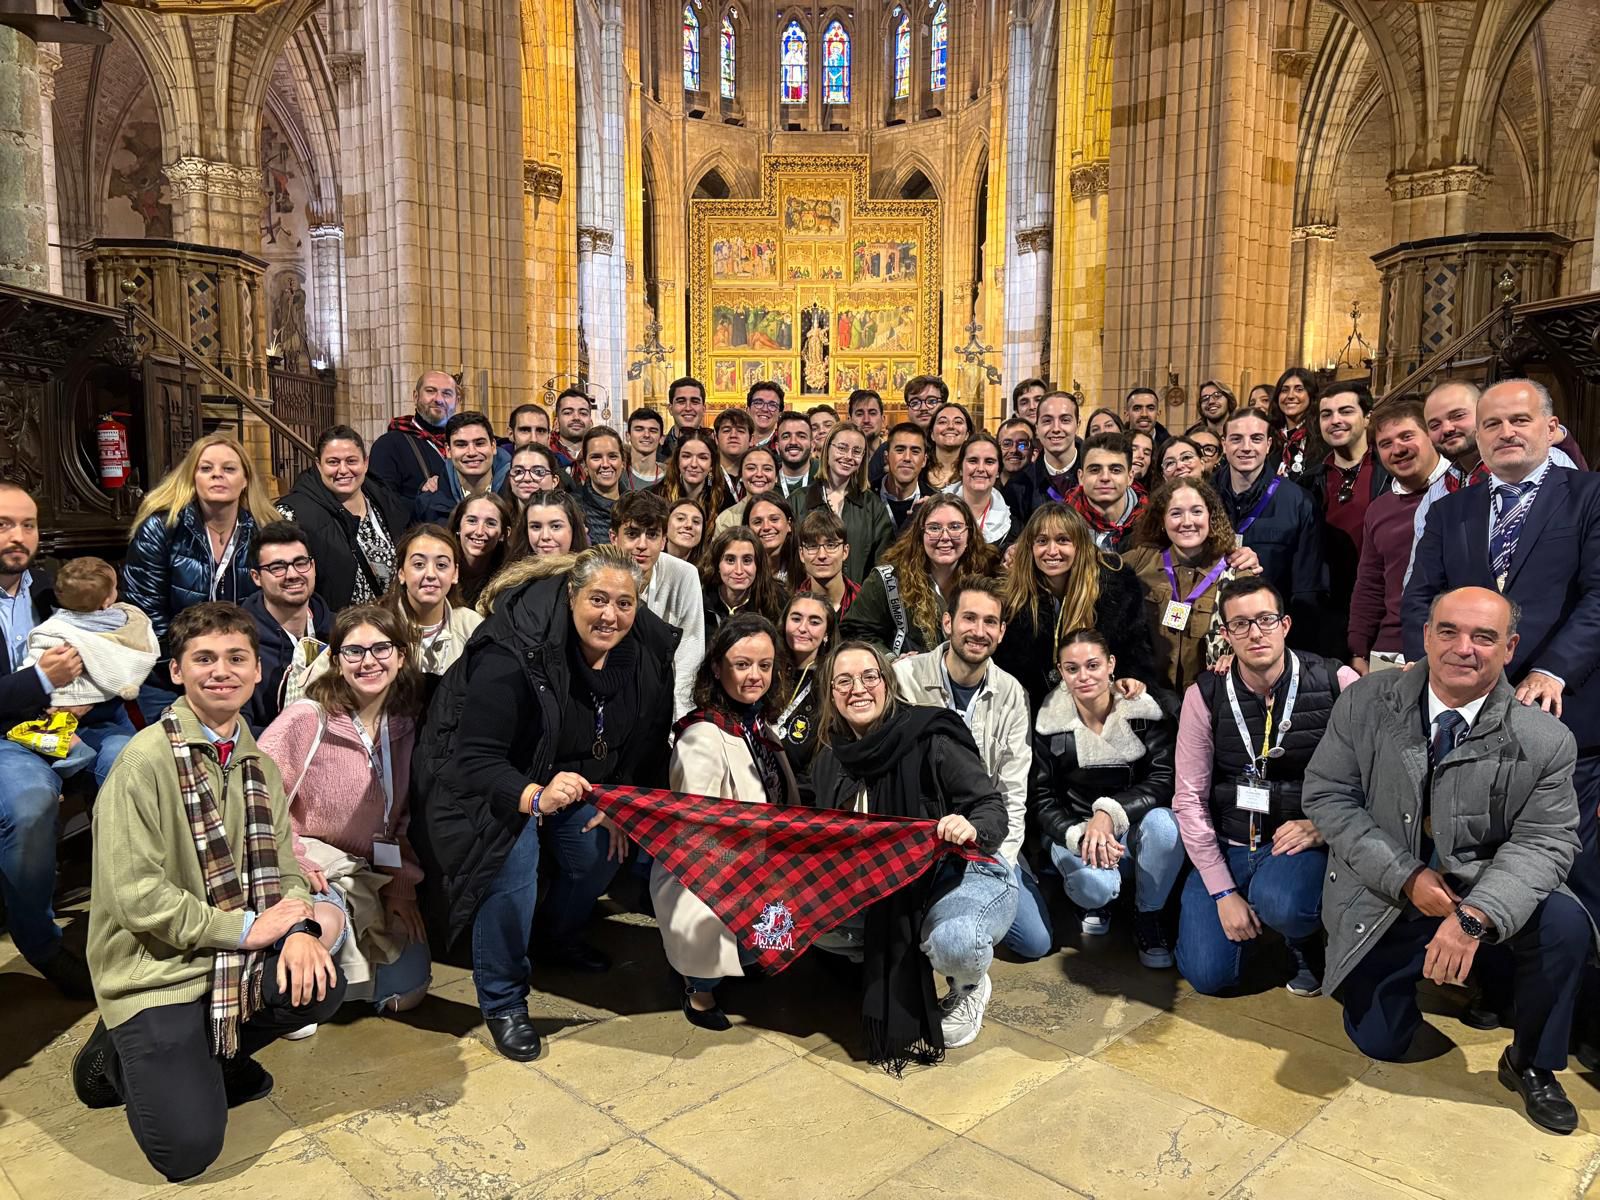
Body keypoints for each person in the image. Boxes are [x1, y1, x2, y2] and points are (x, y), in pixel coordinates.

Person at [72, 602, 344, 1183]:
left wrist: (297, 930)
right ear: (176, 671)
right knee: (186, 1152)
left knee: (319, 982)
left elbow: (285, 862)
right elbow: (134, 896)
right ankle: (114, 1050)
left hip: (226, 961)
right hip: (155, 968)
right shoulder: (141, 763)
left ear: (256, 672)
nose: (221, 670)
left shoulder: (256, 763)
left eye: (236, 658)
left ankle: (218, 1053)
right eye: (204, 658)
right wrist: (246, 930)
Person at [1304, 587, 1592, 1135]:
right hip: (1386, 890)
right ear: (1426, 636)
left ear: (1510, 649)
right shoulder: (1365, 700)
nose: (1465, 648)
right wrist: (1405, 875)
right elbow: (1328, 797)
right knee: (1381, 1041)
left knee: (1565, 922)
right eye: (1449, 632)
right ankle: (1442, 978)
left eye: (1484, 637)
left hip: (1482, 891)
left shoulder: (1548, 740)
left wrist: (1474, 916)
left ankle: (1531, 1061)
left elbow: (1547, 842)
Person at [411, 547, 677, 1061]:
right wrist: (532, 797)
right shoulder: (513, 649)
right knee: (514, 862)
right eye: (598, 599)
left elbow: (642, 737)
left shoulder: (643, 649)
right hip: (485, 781)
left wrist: (620, 801)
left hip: (573, 776)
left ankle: (555, 936)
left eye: (625, 603)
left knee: (598, 847)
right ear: (571, 594)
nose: (611, 615)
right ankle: (505, 998)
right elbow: (474, 758)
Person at [1402, 378, 1600, 959]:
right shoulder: (1451, 508)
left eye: (1519, 420)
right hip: (1471, 714)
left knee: (1567, 864)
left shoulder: (1589, 495)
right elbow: (1422, 598)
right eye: (1492, 424)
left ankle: (1572, 1001)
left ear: (1551, 428)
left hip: (1563, 710)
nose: (1506, 432)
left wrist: (1554, 671)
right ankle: (1490, 977)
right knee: (1481, 852)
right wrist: (1442, 669)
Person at [810, 641, 1011, 1059]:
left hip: (960, 873)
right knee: (805, 917)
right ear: (830, 694)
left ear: (887, 682)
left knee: (956, 942)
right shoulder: (830, 759)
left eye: (869, 676)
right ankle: (886, 951)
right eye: (842, 681)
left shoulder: (930, 736)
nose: (857, 689)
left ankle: (969, 985)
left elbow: (991, 806)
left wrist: (970, 825)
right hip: (885, 887)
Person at [1171, 577, 1359, 997]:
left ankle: (1301, 939)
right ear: (1226, 634)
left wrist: (1322, 826)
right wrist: (1222, 893)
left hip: (1298, 844)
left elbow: (1375, 776)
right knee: (1209, 978)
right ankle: (1236, 915)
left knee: (1287, 904)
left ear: (1286, 624)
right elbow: (1188, 798)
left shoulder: (1337, 681)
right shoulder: (1205, 695)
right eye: (1240, 624)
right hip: (1230, 842)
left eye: (1265, 620)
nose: (1255, 633)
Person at [258, 605, 432, 1021]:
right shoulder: (308, 718)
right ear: (336, 661)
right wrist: (293, 857)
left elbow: (402, 818)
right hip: (312, 864)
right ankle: (278, 998)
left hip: (367, 870)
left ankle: (320, 986)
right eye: (353, 651)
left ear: (402, 655)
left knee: (407, 991)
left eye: (381, 648)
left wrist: (402, 885)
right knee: (322, 926)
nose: (368, 661)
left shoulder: (407, 725)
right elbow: (258, 795)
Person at [894, 577, 1050, 962]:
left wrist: (1001, 861)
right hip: (921, 837)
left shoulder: (1013, 693)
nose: (978, 632)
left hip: (986, 835)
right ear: (947, 623)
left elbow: (1013, 791)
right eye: (969, 619)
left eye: (990, 622)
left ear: (1001, 631)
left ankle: (960, 914)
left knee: (1035, 942)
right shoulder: (904, 680)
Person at [657, 613, 798, 1029]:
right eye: (742, 665)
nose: (755, 676)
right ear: (717, 669)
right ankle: (696, 987)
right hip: (712, 874)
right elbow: (696, 836)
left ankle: (742, 951)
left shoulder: (756, 723)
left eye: (765, 665)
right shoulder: (702, 736)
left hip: (760, 862)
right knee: (712, 958)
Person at [1030, 629, 1181, 965]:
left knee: (1168, 825)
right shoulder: (1048, 720)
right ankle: (1098, 901)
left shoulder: (1141, 709)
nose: (1083, 676)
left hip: (1132, 827)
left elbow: (1163, 779)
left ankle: (1149, 914)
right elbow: (1041, 798)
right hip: (1076, 829)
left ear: (1111, 664)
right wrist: (1080, 834)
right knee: (1094, 887)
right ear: (1061, 671)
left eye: (1093, 665)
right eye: (1072, 669)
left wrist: (1110, 813)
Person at [0, 486, 96, 998]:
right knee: (32, 804)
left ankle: (132, 915)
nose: (18, 537)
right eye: (3, 525)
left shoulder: (48, 584)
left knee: (141, 763)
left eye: (29, 524)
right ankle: (40, 942)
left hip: (67, 724)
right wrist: (41, 681)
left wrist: (85, 697)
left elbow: (96, 642)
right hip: (6, 738)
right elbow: (42, 675)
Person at [123, 432, 278, 722]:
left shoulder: (264, 531)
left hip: (240, 671)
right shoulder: (162, 528)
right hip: (170, 673)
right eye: (206, 469)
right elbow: (144, 612)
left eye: (229, 469)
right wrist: (193, 664)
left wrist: (238, 664)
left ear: (245, 480)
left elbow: (273, 608)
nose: (217, 475)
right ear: (192, 477)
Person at [1408, 378, 1582, 575]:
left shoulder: (1546, 462)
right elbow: (1420, 575)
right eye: (1434, 424)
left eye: (1458, 415)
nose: (1447, 429)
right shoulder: (1436, 495)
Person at [994, 501, 1156, 711]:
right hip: (1034, 711)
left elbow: (1134, 650)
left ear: (1079, 545)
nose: (1052, 551)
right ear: (1030, 547)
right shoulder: (1013, 598)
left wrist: (1132, 678)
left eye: (1062, 540)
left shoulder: (1115, 586)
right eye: (1042, 541)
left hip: (1101, 705)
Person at [1124, 479, 1260, 694]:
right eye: (1176, 513)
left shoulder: (1236, 571)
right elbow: (1088, 570)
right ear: (1162, 520)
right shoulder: (1140, 562)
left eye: (1196, 512)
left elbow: (1257, 635)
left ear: (1210, 516)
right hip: (1150, 701)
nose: (1187, 522)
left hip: (1210, 701)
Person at [21, 556, 150, 781]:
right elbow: (139, 648)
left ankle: (74, 747)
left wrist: (26, 675)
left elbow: (35, 663)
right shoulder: (123, 620)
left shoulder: (55, 629)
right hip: (107, 688)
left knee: (51, 717)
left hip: (71, 695)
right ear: (107, 600)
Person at [1347, 399, 1447, 673]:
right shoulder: (1379, 509)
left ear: (1430, 436)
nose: (1398, 449)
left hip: (1452, 646)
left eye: (1406, 436)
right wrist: (1359, 649)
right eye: (1386, 444)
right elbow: (1370, 583)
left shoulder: (1464, 490)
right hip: (1391, 647)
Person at [1212, 408, 1323, 644]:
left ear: (1269, 444)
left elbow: (1306, 588)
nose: (1246, 447)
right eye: (1236, 439)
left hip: (1269, 635)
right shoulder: (1203, 497)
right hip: (1211, 631)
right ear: (1224, 444)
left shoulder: (1298, 501)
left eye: (1256, 438)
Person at [1298, 381, 1390, 657]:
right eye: (1327, 414)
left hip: (1380, 605)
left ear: (1367, 417)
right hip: (1327, 610)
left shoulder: (1391, 473)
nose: (1335, 420)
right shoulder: (1308, 481)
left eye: (1346, 411)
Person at [842, 495, 994, 658]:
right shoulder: (888, 580)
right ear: (920, 534)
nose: (945, 537)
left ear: (969, 534)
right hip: (907, 680)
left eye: (955, 527)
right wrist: (889, 660)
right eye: (934, 528)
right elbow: (854, 633)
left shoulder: (987, 577)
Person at [276, 426, 410, 610]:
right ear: (318, 464)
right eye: (333, 462)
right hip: (337, 629)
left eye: (351, 461)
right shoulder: (293, 514)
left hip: (391, 624)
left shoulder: (385, 501)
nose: (343, 470)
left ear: (366, 462)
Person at [612, 491, 703, 719]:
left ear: (664, 541)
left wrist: (678, 721)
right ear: (614, 538)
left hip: (662, 695)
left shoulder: (684, 574)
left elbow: (690, 651)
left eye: (652, 535)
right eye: (632, 534)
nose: (642, 545)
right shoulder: (596, 574)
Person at [241, 522, 333, 733]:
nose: (292, 574)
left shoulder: (341, 632)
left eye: (301, 563)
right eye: (277, 567)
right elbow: (237, 728)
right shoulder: (239, 641)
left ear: (314, 568)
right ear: (256, 577)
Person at [792, 421, 894, 581]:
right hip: (807, 600)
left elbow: (883, 564)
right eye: (842, 448)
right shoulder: (798, 500)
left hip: (858, 601)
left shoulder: (872, 505)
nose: (848, 456)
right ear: (827, 449)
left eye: (857, 451)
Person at [382, 525, 483, 678]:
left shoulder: (471, 625)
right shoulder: (376, 624)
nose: (430, 574)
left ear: (455, 574)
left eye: (441, 565)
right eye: (419, 564)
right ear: (401, 573)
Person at [773, 593, 835, 804]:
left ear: (827, 633)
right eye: (796, 618)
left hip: (803, 798)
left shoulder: (831, 681)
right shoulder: (766, 670)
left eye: (815, 622)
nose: (803, 628)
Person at [367, 370, 458, 502]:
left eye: (447, 393)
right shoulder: (389, 445)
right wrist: (423, 495)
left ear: (457, 401)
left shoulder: (466, 443)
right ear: (416, 397)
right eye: (430, 391)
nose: (438, 399)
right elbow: (383, 504)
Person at [411, 410, 510, 527]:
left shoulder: (517, 496)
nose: (472, 452)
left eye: (479, 443)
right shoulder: (427, 505)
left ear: (493, 446)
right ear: (448, 451)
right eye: (461, 445)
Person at [1004, 391, 1082, 519]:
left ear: (1077, 425)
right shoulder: (1018, 486)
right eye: (1047, 421)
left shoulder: (1097, 476)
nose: (1056, 428)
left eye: (1065, 420)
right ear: (1037, 428)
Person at [1063, 432, 1146, 551]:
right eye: (1095, 470)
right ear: (1081, 477)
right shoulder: (1060, 523)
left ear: (1130, 477)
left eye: (1115, 470)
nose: (1105, 477)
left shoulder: (1150, 526)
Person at [701, 526, 787, 634]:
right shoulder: (701, 599)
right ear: (717, 564)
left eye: (747, 560)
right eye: (730, 560)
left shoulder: (777, 601)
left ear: (757, 565)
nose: (739, 570)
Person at [943, 432, 1013, 547]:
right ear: (960, 468)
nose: (980, 468)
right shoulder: (931, 508)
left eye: (989, 462)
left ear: (998, 471)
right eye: (973, 461)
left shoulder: (1010, 523)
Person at [449, 492, 512, 607]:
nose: (479, 531)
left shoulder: (510, 578)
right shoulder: (440, 567)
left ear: (504, 534)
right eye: (472, 521)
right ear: (458, 525)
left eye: (491, 523)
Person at [794, 507, 860, 613]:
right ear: (801, 554)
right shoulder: (790, 606)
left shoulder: (864, 603)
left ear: (845, 551)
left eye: (831, 545)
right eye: (812, 546)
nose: (822, 555)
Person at [575, 425, 630, 545]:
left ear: (623, 462)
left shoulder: (638, 504)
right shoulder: (573, 509)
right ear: (584, 465)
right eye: (596, 457)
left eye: (612, 456)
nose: (605, 464)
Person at [655, 427, 723, 520]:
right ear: (677, 461)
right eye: (686, 456)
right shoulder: (656, 496)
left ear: (712, 464)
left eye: (702, 458)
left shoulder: (723, 499)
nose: (694, 464)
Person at [878, 421, 929, 534]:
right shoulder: (866, 498)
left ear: (924, 460)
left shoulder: (934, 502)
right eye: (900, 450)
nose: (907, 458)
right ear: (886, 457)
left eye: (915, 451)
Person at [745, 492, 802, 583]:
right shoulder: (741, 572)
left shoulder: (804, 568)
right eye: (757, 522)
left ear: (789, 524)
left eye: (774, 519)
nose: (766, 527)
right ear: (747, 528)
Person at [513, 491, 589, 559]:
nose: (545, 536)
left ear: (574, 528)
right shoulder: (511, 573)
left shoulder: (594, 573)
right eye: (536, 527)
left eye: (556, 526)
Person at [1271, 368, 1317, 478]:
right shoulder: (1271, 435)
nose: (1290, 396)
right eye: (1284, 390)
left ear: (1311, 395)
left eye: (1299, 389)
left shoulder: (1320, 437)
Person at [924, 401, 974, 491]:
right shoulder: (919, 469)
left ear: (967, 434)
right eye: (942, 422)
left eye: (958, 422)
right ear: (932, 434)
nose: (950, 426)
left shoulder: (975, 472)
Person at [499, 442, 567, 507]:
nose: (527, 478)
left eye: (538, 472)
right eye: (518, 471)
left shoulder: (568, 517)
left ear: (554, 481)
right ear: (510, 478)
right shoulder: (498, 517)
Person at [712, 408, 755, 502]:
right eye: (727, 430)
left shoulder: (758, 477)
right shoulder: (706, 477)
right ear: (716, 438)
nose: (733, 435)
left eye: (740, 431)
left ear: (751, 440)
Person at [661, 376, 707, 462]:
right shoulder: (656, 452)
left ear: (704, 409)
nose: (688, 408)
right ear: (670, 409)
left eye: (695, 402)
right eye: (681, 402)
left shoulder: (717, 452)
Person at [851, 389, 891, 485]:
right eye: (859, 414)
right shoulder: (841, 458)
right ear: (849, 420)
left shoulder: (894, 453)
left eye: (872, 413)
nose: (866, 420)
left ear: (883, 419)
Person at [774, 410, 816, 496]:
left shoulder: (827, 480)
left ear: (812, 446)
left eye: (801, 436)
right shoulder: (767, 481)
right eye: (786, 436)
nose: (793, 442)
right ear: (777, 447)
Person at [550, 387, 594, 467]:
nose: (576, 417)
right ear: (556, 423)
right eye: (568, 413)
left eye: (583, 413)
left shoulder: (604, 457)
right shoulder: (544, 457)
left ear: (591, 423)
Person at [625, 408, 666, 490]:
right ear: (628, 436)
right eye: (639, 429)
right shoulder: (618, 476)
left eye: (653, 431)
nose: (646, 435)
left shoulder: (671, 480)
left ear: (662, 439)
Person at [665, 495, 707, 564]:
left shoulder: (709, 570)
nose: (689, 525)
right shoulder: (649, 562)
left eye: (696, 521)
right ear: (665, 524)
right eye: (680, 518)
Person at [998, 418, 1037, 489]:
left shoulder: (1045, 489)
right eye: (1007, 444)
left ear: (1033, 450)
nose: (1014, 450)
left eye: (1022, 444)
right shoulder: (986, 485)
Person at [746, 380, 785, 447]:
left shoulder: (784, 447)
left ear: (779, 414)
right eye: (758, 403)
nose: (765, 409)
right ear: (748, 410)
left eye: (772, 405)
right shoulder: (736, 444)